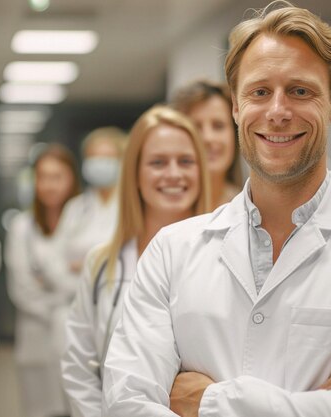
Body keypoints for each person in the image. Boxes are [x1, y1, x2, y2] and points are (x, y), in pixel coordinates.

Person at [102, 3, 331, 417]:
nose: (278, 111)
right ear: (235, 106)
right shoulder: (171, 251)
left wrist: (207, 400)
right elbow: (125, 403)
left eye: (300, 91)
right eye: (260, 92)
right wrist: (313, 403)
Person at [61, 105, 212, 417]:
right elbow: (79, 365)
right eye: (158, 162)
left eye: (185, 161)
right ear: (135, 175)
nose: (173, 173)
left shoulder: (228, 258)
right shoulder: (103, 263)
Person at [5, 144, 81, 417]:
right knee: (42, 409)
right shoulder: (21, 227)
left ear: (72, 178)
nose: (49, 185)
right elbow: (21, 289)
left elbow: (94, 283)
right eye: (42, 177)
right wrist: (69, 279)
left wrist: (49, 280)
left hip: (81, 334)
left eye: (57, 176)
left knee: (83, 406)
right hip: (36, 333)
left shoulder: (87, 223)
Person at [58, 126, 127, 275]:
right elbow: (60, 258)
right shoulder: (75, 207)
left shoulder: (132, 206)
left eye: (106, 158)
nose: (98, 163)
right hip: (77, 291)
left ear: (122, 161)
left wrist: (87, 264)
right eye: (93, 157)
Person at [171, 79, 244, 209]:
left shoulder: (253, 211)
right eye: (196, 127)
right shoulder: (161, 209)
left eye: (218, 126)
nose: (208, 138)